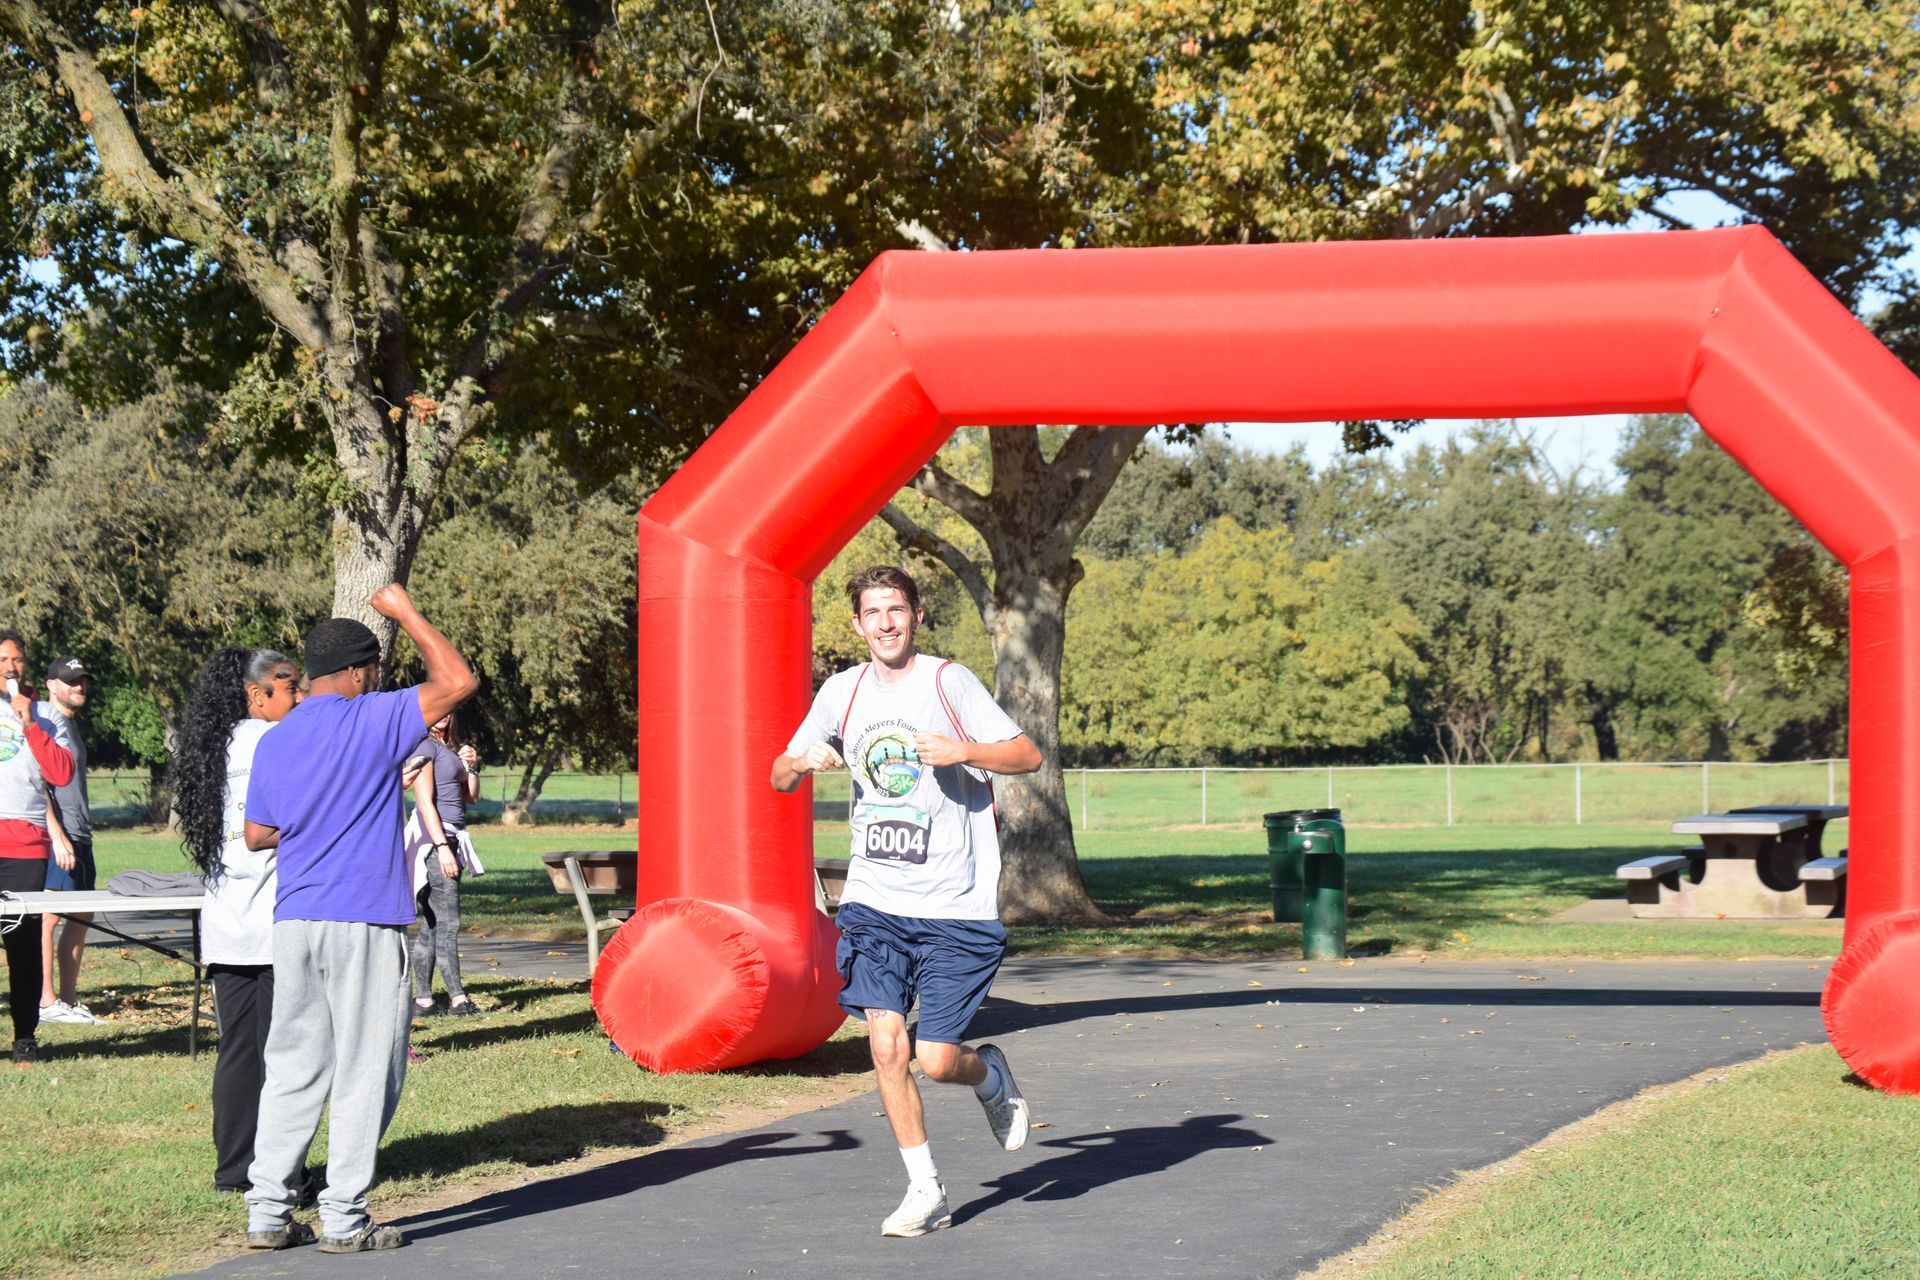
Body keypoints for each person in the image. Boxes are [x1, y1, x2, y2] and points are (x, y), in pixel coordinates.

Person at [771, 565, 1042, 1237]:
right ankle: (926, 1190)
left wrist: (964, 750)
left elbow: (1028, 754)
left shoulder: (949, 683)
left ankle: (988, 1076)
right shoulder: (842, 691)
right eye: (873, 612)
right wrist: (804, 762)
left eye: (897, 608)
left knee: (936, 1060)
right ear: (858, 624)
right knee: (888, 1046)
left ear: (917, 616)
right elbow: (777, 773)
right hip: (875, 899)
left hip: (955, 904)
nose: (886, 622)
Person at [240, 585, 477, 1253]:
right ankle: (343, 1217)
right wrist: (403, 611)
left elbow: (258, 833)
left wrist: (327, 811)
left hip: (296, 919)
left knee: (294, 1067)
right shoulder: (373, 716)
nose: (378, 679)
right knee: (367, 1066)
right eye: (374, 668)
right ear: (355, 672)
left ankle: (267, 1212)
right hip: (364, 918)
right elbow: (457, 679)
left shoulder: (277, 741)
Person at [172, 647, 303, 1196]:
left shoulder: (214, 745)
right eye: (288, 687)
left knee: (238, 1052)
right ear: (257, 694)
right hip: (273, 921)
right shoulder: (278, 742)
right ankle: (279, 1174)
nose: (298, 697)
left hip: (226, 920)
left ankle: (234, 1172)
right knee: (284, 1053)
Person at [0, 630, 75, 1066]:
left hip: (25, 842)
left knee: (23, 943)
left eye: (18, 659)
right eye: (4, 659)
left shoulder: (46, 715)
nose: (11, 667)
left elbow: (62, 773)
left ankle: (25, 1034)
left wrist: (29, 725)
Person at [405, 711, 482, 1017]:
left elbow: (472, 797)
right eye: (438, 710)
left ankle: (423, 1001)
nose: (444, 716)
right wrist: (441, 847)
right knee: (449, 922)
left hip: (451, 837)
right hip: (434, 842)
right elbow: (424, 803)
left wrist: (472, 768)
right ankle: (457, 1000)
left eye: (449, 710)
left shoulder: (446, 747)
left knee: (434, 923)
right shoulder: (424, 746)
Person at [38, 656, 97, 1025]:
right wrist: (56, 834)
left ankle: (69, 1001)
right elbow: (37, 781)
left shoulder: (70, 725)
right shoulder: (46, 719)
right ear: (51, 685)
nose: (78, 686)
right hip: (58, 836)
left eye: (81, 681)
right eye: (70, 681)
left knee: (82, 914)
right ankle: (45, 1001)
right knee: (48, 918)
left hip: (80, 833)